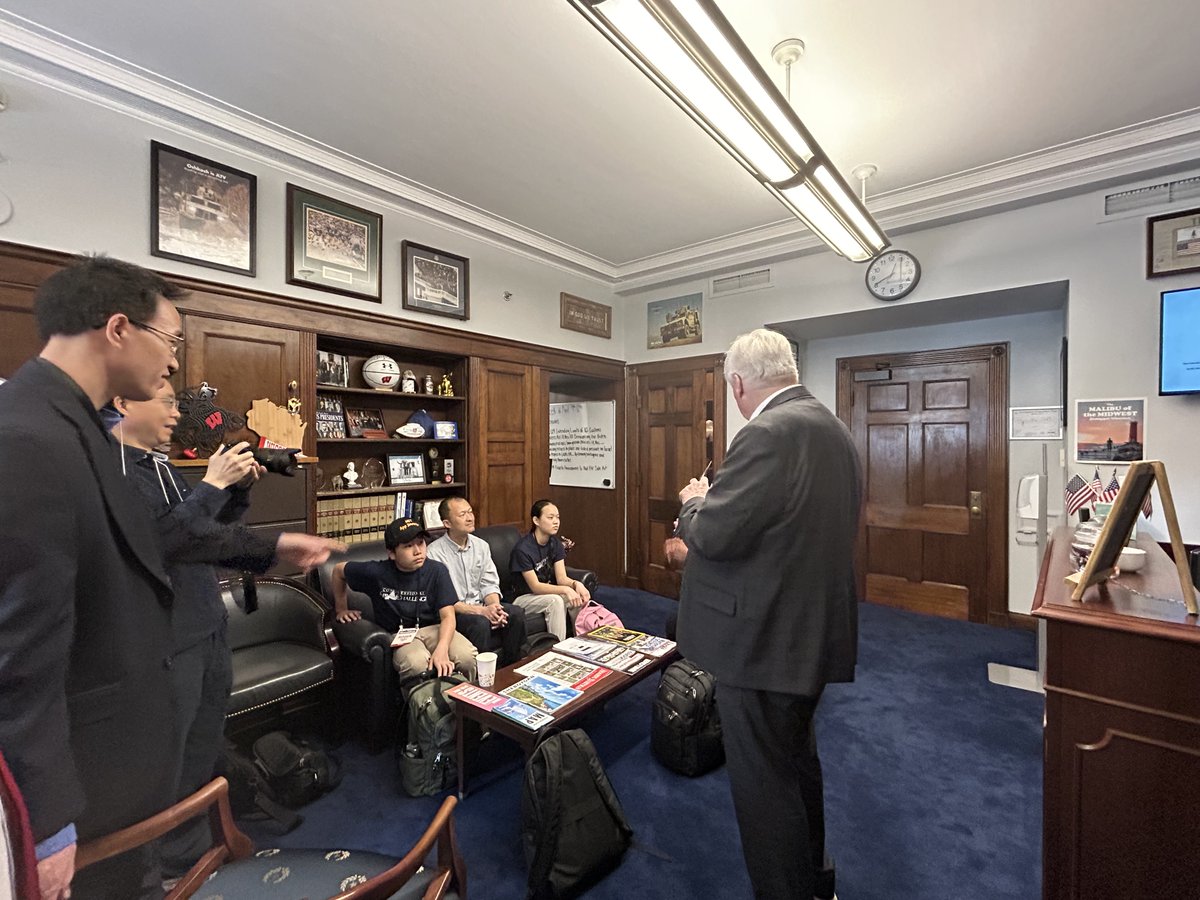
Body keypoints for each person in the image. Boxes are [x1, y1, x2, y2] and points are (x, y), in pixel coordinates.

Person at [0, 255, 187, 899]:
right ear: (118, 329)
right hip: (83, 784)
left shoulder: (87, 425)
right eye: (171, 342)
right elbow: (19, 649)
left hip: (117, 766)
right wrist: (45, 821)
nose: (172, 365)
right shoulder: (27, 436)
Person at [111, 383, 343, 878]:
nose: (177, 414)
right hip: (168, 645)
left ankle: (203, 849)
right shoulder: (115, 471)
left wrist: (238, 493)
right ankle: (178, 869)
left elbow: (210, 537)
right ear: (123, 403)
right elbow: (163, 541)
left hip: (207, 628)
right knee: (172, 768)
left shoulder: (161, 466)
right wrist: (214, 483)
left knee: (203, 752)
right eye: (167, 401)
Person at [674, 328, 862, 900]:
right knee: (797, 762)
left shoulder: (768, 434)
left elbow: (715, 533)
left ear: (737, 383)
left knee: (763, 786)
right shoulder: (833, 429)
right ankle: (813, 880)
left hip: (761, 641)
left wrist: (693, 503)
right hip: (808, 632)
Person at [330, 518, 477, 682]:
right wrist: (341, 609)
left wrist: (442, 648)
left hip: (435, 629)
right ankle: (421, 706)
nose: (418, 551)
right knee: (416, 664)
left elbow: (448, 616)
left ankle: (465, 705)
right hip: (400, 634)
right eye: (408, 546)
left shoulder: (437, 571)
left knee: (466, 657)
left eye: (421, 543)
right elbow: (338, 571)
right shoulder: (377, 572)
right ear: (391, 553)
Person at [426, 497, 528, 665]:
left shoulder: (481, 546)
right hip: (454, 614)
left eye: (470, 512)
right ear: (447, 523)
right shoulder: (434, 554)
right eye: (462, 514)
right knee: (480, 623)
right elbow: (445, 601)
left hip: (482, 606)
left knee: (515, 613)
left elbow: (489, 583)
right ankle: (481, 677)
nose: (470, 518)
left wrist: (494, 607)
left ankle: (510, 669)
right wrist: (482, 612)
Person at [509, 499, 590, 641]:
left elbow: (562, 579)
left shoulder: (555, 543)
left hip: (543, 594)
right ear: (536, 520)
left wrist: (576, 585)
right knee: (556, 601)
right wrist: (565, 590)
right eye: (550, 517)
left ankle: (580, 642)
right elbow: (535, 586)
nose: (556, 522)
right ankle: (559, 650)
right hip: (522, 598)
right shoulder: (523, 549)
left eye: (557, 517)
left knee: (577, 597)